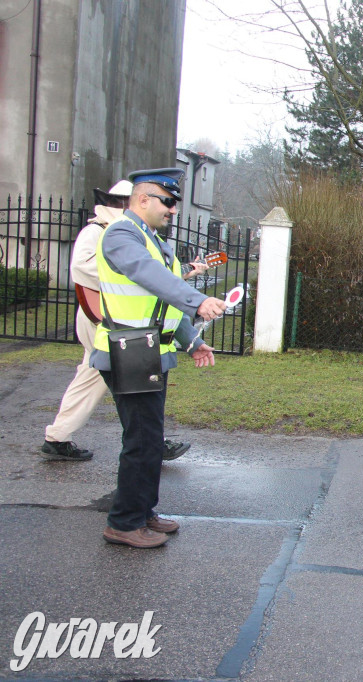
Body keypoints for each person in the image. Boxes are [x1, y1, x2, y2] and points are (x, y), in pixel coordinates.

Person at [91, 168, 227, 549]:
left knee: (150, 440)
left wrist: (191, 341)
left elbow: (162, 298)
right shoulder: (120, 235)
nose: (172, 210)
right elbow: (152, 277)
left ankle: (142, 512)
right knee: (142, 440)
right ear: (142, 199)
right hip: (128, 351)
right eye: (167, 202)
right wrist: (198, 301)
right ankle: (124, 522)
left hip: (148, 352)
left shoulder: (151, 239)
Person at [41, 181, 211, 463]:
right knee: (119, 381)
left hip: (127, 319)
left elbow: (152, 274)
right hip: (109, 316)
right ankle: (149, 441)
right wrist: (130, 272)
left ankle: (61, 436)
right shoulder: (102, 232)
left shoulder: (136, 233)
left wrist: (176, 272)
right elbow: (84, 268)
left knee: (95, 377)